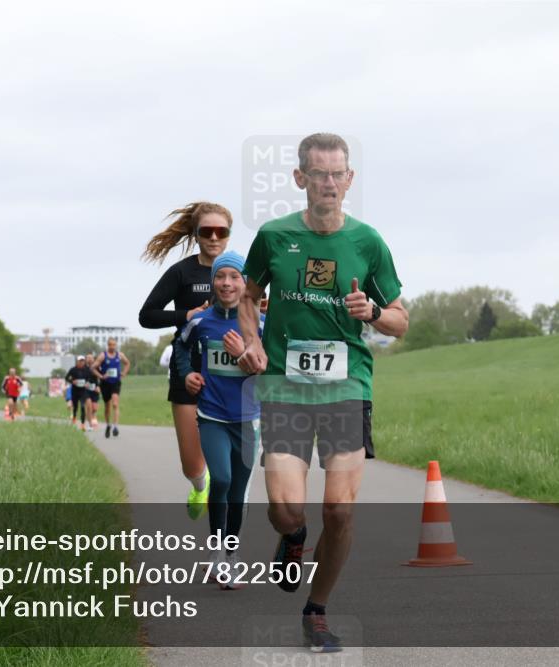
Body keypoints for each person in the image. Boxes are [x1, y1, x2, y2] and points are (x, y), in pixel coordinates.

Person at [236, 133, 409, 652]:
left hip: (346, 387)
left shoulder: (368, 243)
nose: (329, 183)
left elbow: (401, 321)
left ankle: (316, 610)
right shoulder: (273, 236)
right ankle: (292, 538)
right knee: (286, 508)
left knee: (339, 509)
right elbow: (249, 294)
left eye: (338, 174)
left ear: (349, 180)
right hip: (286, 389)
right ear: (300, 179)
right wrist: (251, 340)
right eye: (319, 174)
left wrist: (374, 313)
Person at [139, 201, 232, 519]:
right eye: (208, 231)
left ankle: (226, 529)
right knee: (192, 464)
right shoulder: (182, 272)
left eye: (222, 231)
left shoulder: (238, 271)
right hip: (187, 368)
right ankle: (198, 484)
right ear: (196, 234)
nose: (215, 237)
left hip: (228, 374)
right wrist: (186, 314)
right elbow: (147, 315)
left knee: (230, 468)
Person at [178, 251, 263, 589]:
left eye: (234, 277)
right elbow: (181, 349)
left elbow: (269, 366)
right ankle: (216, 551)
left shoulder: (260, 323)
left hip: (247, 418)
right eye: (220, 276)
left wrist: (245, 353)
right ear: (213, 282)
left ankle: (230, 555)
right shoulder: (201, 321)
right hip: (211, 415)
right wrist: (187, 375)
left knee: (239, 492)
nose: (227, 283)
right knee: (223, 480)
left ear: (245, 283)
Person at [98, 337, 131, 438]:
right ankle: (108, 425)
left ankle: (115, 426)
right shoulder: (103, 355)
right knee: (107, 406)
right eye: (110, 345)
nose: (112, 347)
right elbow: (93, 367)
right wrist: (101, 376)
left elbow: (127, 363)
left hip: (116, 382)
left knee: (115, 404)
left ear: (116, 345)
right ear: (108, 345)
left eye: (114, 345)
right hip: (105, 384)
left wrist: (124, 373)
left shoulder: (119, 355)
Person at [65, 355, 93, 431]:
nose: (81, 362)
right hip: (75, 391)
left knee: (83, 407)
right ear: (77, 361)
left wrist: (87, 382)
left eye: (83, 361)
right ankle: (74, 417)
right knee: (75, 407)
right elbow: (66, 377)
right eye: (80, 361)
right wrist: (72, 381)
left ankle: (82, 424)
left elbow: (90, 378)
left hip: (83, 391)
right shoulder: (73, 369)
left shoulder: (86, 370)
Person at [84, 353, 100, 431]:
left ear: (94, 359)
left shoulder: (97, 367)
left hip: (95, 390)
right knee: (89, 406)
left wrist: (99, 386)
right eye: (88, 357)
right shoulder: (83, 368)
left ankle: (93, 416)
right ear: (86, 359)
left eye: (91, 357)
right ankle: (90, 424)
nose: (90, 359)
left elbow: (101, 377)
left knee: (94, 408)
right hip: (86, 390)